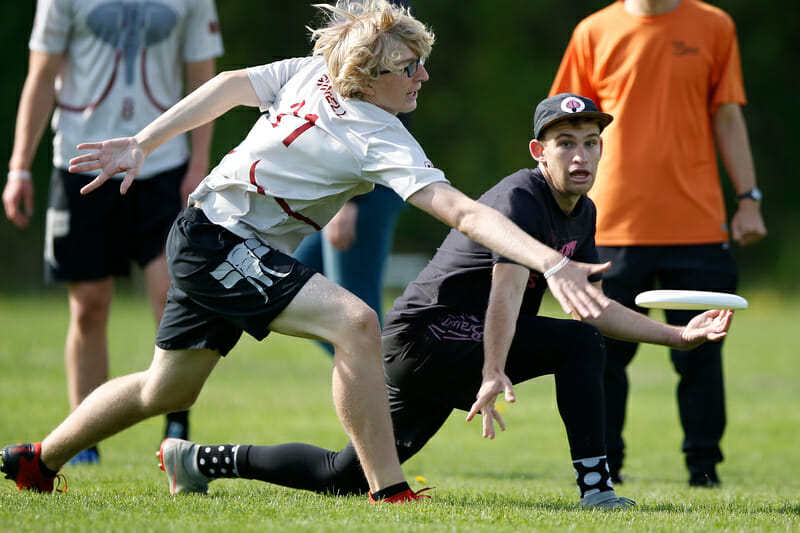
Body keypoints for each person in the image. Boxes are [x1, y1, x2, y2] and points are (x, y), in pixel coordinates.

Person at [0, 2, 613, 503]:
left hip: (208, 234)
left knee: (166, 392)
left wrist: (143, 141)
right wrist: (552, 260)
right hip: (219, 239)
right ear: (370, 74)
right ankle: (388, 490)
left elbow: (228, 85)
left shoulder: (321, 75)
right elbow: (465, 213)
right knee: (356, 321)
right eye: (410, 65)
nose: (423, 75)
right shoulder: (364, 118)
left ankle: (37, 459)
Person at [152, 93, 733, 509]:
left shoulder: (582, 213)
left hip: (445, 344)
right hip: (428, 338)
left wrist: (680, 336)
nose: (580, 156)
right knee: (577, 345)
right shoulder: (521, 200)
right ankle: (597, 489)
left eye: (590, 144)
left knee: (346, 476)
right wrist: (494, 370)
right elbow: (505, 294)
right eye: (565, 144)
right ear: (539, 150)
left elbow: (594, 307)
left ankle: (197, 459)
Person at [549, 0, 767, 487]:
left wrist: (748, 199)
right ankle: (605, 471)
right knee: (602, 354)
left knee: (702, 355)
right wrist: (556, 212)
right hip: (609, 227)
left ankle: (704, 471)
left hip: (698, 226)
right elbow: (563, 131)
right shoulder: (593, 31)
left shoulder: (713, 25)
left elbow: (728, 117)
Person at [2, 0, 223, 462]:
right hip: (80, 160)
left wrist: (198, 161)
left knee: (171, 294)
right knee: (89, 306)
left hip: (162, 162)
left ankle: (176, 424)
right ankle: (84, 442)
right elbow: (41, 76)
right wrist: (20, 166)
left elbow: (203, 76)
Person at [293, 0, 413, 357]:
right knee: (293, 284)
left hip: (364, 182)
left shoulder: (381, 6)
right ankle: (393, 389)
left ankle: (396, 401)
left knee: (358, 315)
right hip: (341, 179)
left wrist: (348, 200)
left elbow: (376, 105)